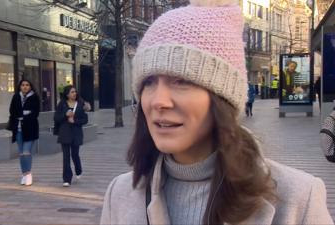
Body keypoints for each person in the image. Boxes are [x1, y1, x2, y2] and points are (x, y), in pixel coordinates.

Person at [100, 0, 333, 224]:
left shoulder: (298, 199)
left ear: (222, 97)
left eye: (181, 80)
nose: (158, 101)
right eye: (149, 82)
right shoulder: (119, 195)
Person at [54, 85, 88, 187]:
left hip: (76, 133)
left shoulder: (80, 104)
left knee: (75, 154)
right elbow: (56, 117)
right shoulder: (62, 104)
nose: (74, 94)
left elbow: (85, 120)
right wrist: (65, 115)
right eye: (72, 92)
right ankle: (67, 179)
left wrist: (75, 121)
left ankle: (78, 169)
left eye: (75, 92)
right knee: (66, 157)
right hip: (65, 133)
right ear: (67, 94)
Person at [8, 79, 40, 186]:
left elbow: (35, 113)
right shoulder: (16, 97)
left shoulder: (34, 97)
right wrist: (24, 114)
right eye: (23, 85)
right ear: (20, 86)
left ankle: (28, 173)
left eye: (27, 85)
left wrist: (23, 116)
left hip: (30, 128)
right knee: (21, 153)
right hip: (18, 129)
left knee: (27, 151)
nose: (25, 87)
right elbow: (12, 111)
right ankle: (24, 174)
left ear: (30, 87)